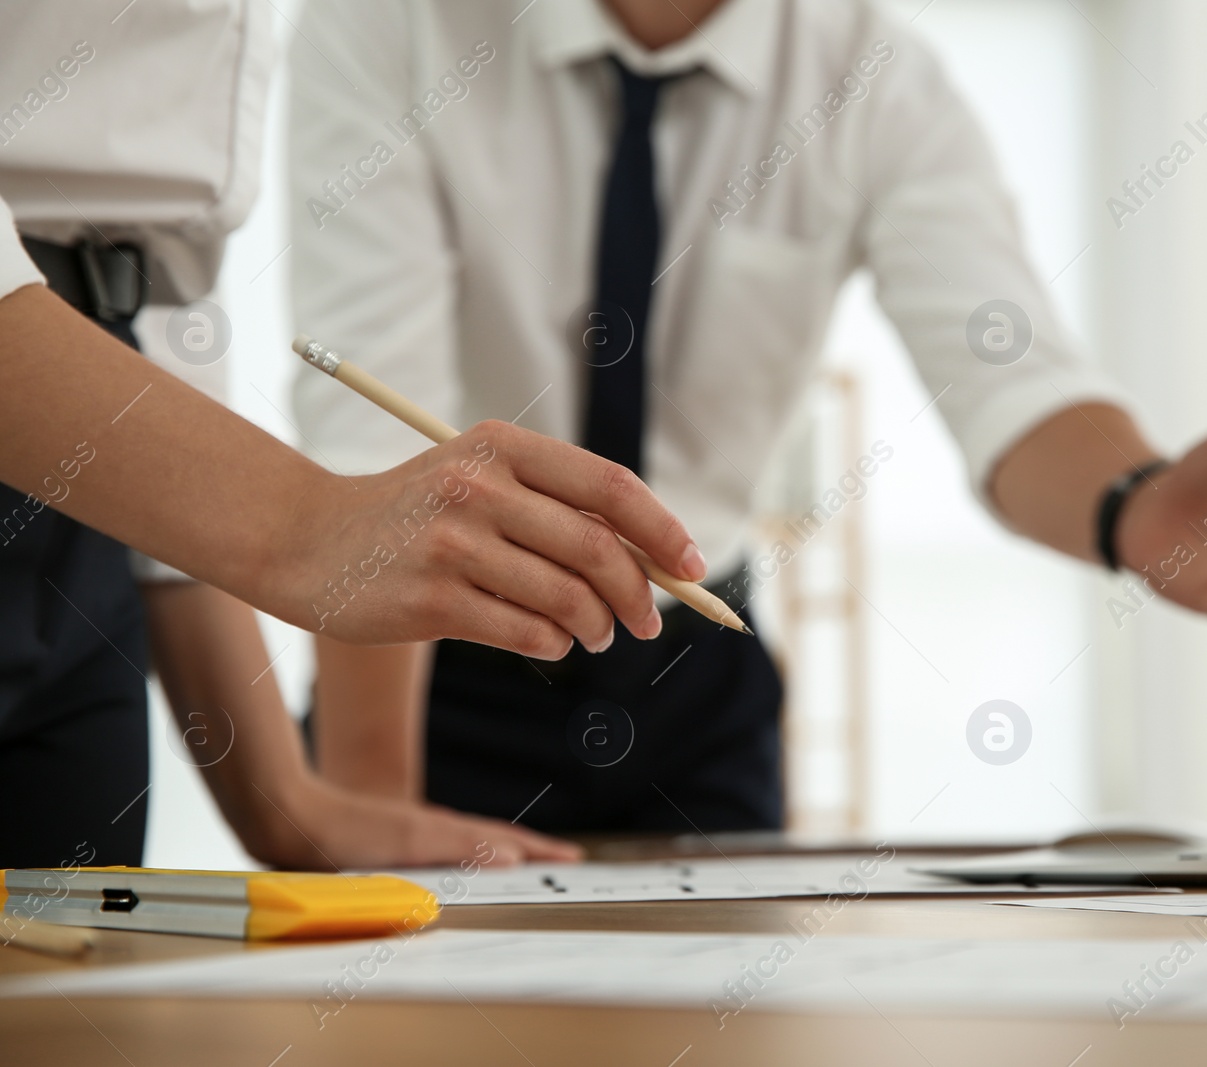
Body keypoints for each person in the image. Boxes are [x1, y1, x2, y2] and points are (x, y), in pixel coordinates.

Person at [287, 0, 1207, 839]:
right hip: (434, 657)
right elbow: (374, 442)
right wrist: (367, 810)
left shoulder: (874, 76)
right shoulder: (393, 26)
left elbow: (1007, 375)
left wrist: (1133, 502)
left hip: (693, 670)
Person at [0, 3, 699, 868]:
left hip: (91, 489)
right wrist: (301, 521)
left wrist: (286, 795)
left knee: (60, 992)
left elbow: (143, 275)